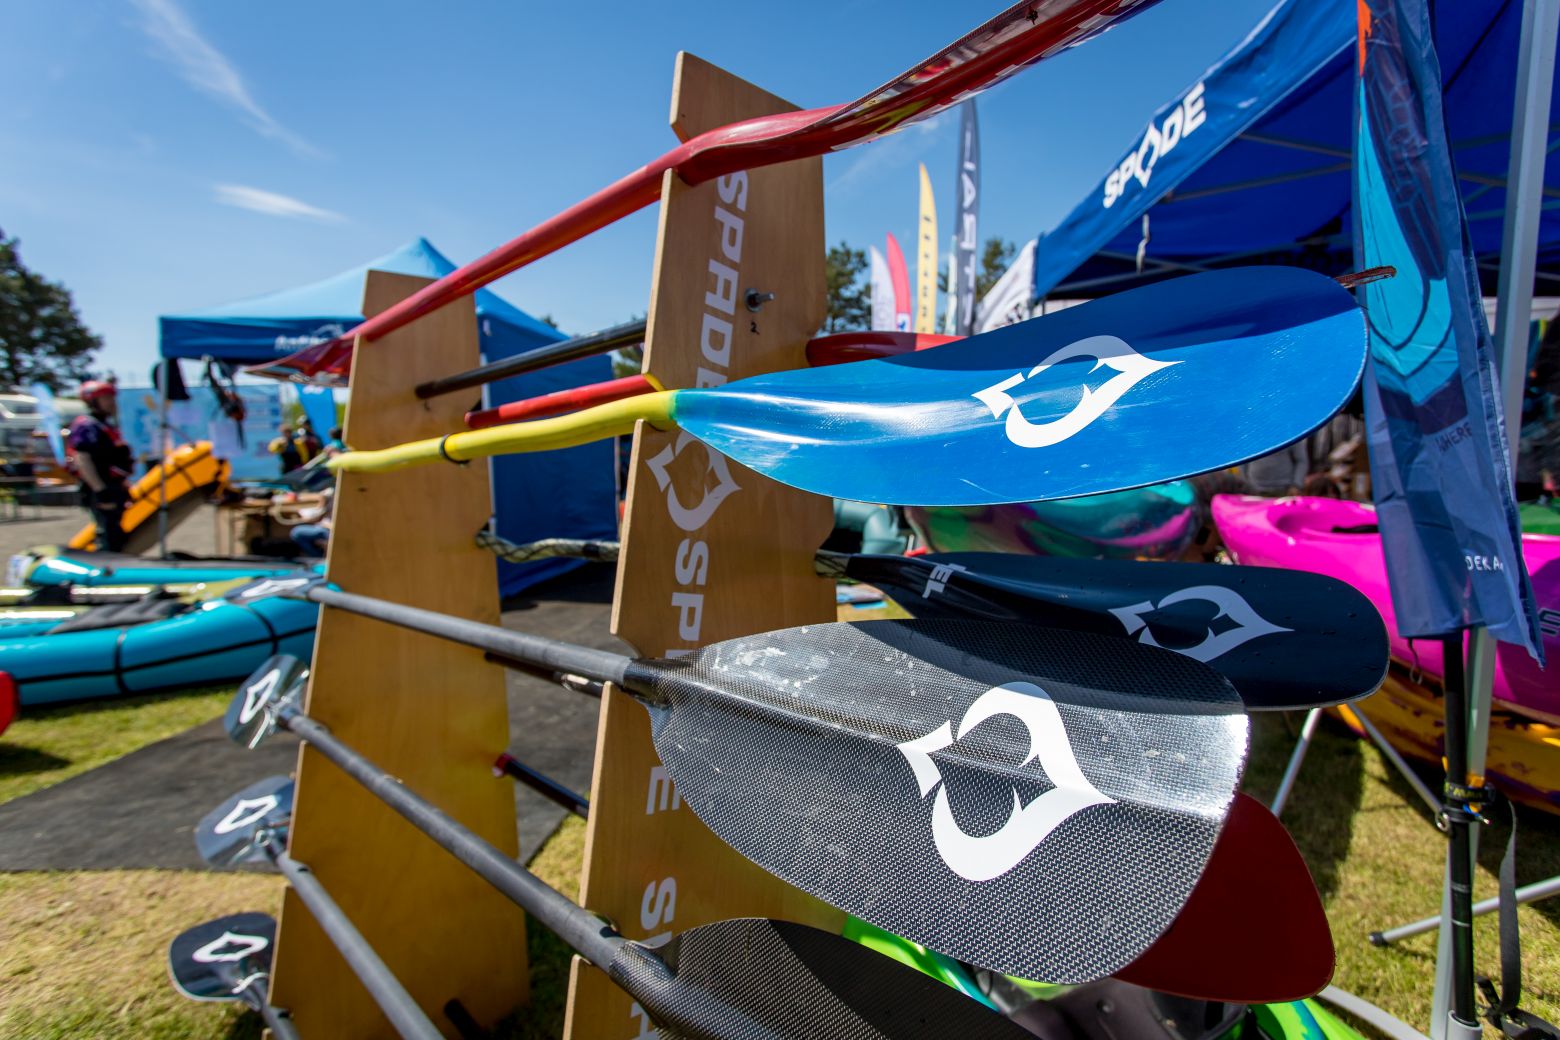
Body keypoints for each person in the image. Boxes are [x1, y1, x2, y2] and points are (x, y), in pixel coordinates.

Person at [66, 380, 133, 552]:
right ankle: (106, 564)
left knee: (117, 533)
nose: (112, 402)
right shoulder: (87, 426)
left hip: (113, 486)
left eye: (112, 398)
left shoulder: (104, 425)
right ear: (92, 401)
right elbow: (82, 459)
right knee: (108, 534)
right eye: (106, 398)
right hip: (101, 488)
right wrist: (101, 491)